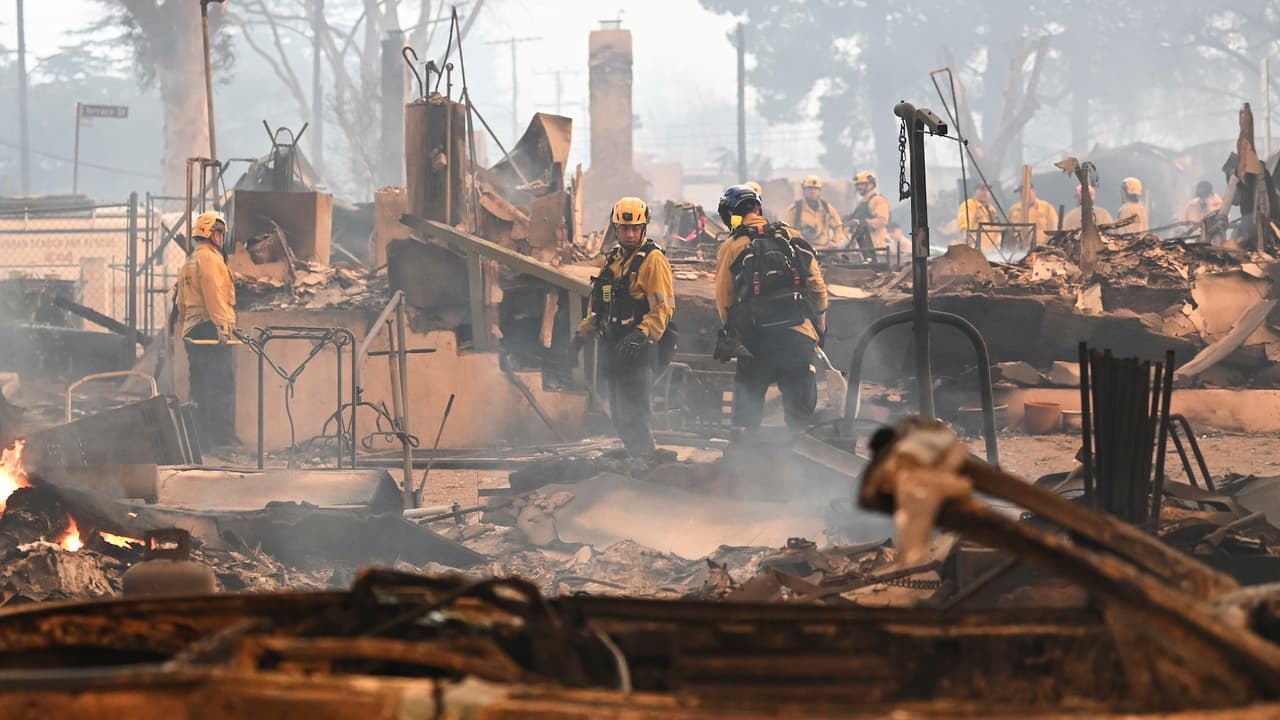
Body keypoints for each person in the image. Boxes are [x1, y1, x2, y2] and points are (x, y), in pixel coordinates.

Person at [714, 184, 829, 432]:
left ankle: (743, 464)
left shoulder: (732, 245)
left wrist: (733, 332)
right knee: (799, 421)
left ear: (729, 216)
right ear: (758, 208)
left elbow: (725, 298)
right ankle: (800, 464)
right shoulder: (791, 235)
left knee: (746, 419)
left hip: (755, 342)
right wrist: (819, 326)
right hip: (799, 335)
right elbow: (816, 285)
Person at [575, 197, 676, 460]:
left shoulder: (653, 260)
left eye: (635, 229)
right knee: (618, 412)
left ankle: (645, 461)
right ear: (616, 228)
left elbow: (662, 308)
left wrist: (641, 334)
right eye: (624, 229)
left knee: (635, 410)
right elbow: (600, 306)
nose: (630, 234)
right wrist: (580, 336)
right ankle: (638, 456)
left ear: (644, 228)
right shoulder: (613, 261)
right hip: (614, 346)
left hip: (639, 349)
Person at [176, 211, 238, 448]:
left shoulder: (190, 261)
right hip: (210, 327)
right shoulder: (211, 260)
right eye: (220, 233)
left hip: (193, 330)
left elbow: (181, 303)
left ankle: (200, 440)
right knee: (220, 383)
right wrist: (222, 327)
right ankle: (222, 439)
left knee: (200, 385)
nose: (222, 238)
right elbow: (214, 295)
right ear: (212, 234)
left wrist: (185, 328)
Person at [781, 175, 847, 249]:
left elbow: (838, 227)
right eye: (809, 188)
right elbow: (786, 229)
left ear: (819, 191)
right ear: (804, 191)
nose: (812, 191)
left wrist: (835, 241)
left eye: (816, 189)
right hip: (803, 251)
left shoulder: (827, 208)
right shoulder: (796, 208)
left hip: (825, 250)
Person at [846, 170, 891, 253]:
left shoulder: (878, 200)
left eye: (862, 184)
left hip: (875, 248)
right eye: (858, 185)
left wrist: (863, 223)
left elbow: (882, 220)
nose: (859, 187)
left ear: (871, 185)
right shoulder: (862, 202)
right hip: (863, 246)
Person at [1008, 180, 1059, 246]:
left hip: (1041, 250)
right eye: (1021, 193)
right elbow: (1008, 233)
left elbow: (1053, 230)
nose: (1023, 195)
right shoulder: (1013, 210)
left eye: (1026, 192)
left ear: (1033, 191)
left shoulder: (1047, 208)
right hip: (1018, 252)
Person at [955, 183, 1000, 253]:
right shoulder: (969, 205)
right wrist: (972, 249)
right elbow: (965, 230)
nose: (985, 192)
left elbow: (997, 232)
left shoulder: (992, 209)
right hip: (975, 254)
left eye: (988, 190)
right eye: (982, 189)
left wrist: (997, 248)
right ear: (975, 191)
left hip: (993, 255)